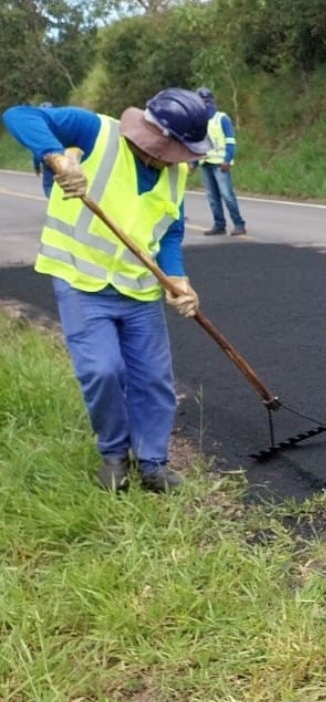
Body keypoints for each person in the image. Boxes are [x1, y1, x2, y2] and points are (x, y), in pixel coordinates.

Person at [2, 88, 211, 493]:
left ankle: (153, 463)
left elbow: (171, 230)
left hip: (139, 289)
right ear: (157, 136)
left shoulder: (175, 173)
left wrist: (178, 277)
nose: (179, 159)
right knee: (102, 371)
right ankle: (114, 453)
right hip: (82, 281)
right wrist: (56, 157)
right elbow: (19, 114)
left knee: (153, 378)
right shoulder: (95, 131)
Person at [197, 88, 247, 236]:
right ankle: (219, 225)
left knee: (227, 195)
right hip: (205, 163)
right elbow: (197, 143)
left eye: (206, 101)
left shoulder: (222, 118)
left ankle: (239, 224)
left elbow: (230, 142)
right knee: (212, 197)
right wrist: (193, 164)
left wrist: (227, 159)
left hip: (220, 163)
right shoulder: (199, 121)